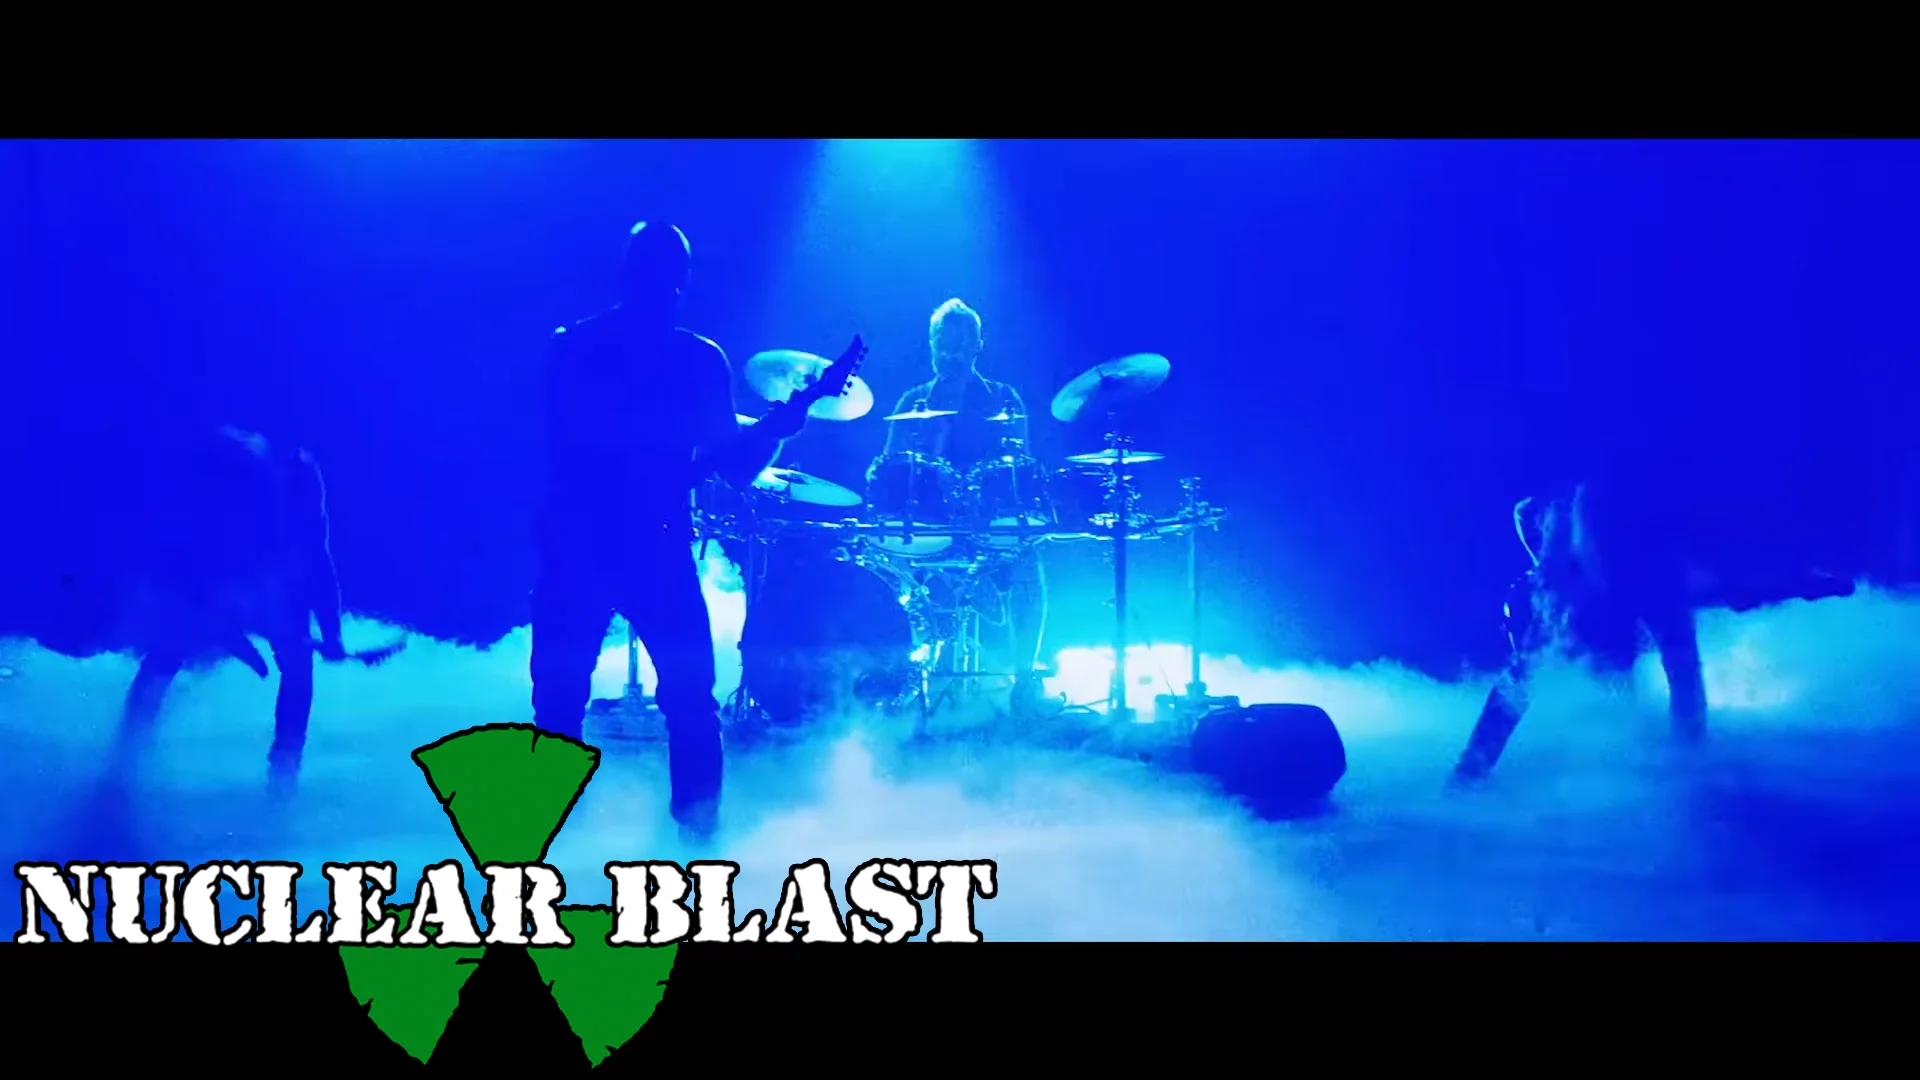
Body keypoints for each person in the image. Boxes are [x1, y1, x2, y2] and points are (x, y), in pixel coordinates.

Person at [533, 221, 806, 839]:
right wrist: (777, 430)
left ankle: (540, 852)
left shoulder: (571, 346)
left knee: (559, 700)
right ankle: (698, 847)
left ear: (623, 272)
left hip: (577, 541)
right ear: (682, 281)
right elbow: (735, 468)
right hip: (651, 544)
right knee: (688, 704)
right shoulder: (696, 359)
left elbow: (555, 447)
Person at [870, 298, 1049, 713]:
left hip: (987, 526)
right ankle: (900, 683)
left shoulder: (1002, 399)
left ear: (978, 345)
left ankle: (1024, 681)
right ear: (931, 344)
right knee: (886, 568)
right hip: (929, 528)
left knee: (1030, 564)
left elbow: (1020, 468)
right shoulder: (913, 402)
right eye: (941, 343)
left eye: (959, 344)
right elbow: (889, 466)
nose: (949, 354)